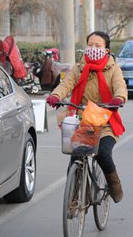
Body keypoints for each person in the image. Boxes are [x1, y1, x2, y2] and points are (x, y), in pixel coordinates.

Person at [46, 31, 128, 203]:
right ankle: (74, 199)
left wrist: (118, 98)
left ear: (106, 50)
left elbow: (120, 87)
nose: (93, 48)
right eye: (90, 45)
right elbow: (67, 84)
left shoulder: (113, 69)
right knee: (76, 156)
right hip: (82, 121)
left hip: (105, 120)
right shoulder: (79, 67)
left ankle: (114, 184)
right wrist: (56, 96)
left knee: (103, 153)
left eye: (98, 46)